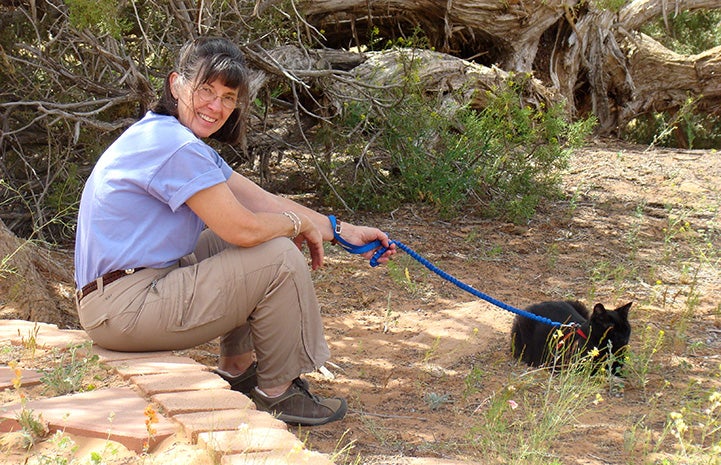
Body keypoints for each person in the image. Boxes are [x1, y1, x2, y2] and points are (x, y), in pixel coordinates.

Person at [73, 36, 395, 427]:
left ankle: (237, 369)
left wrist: (339, 230)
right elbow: (243, 227)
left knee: (251, 240)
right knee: (276, 254)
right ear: (176, 84)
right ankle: (278, 393)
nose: (216, 106)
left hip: (116, 300)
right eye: (206, 90)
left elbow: (258, 200)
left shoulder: (167, 136)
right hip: (125, 310)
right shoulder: (175, 147)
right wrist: (295, 226)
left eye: (228, 97)